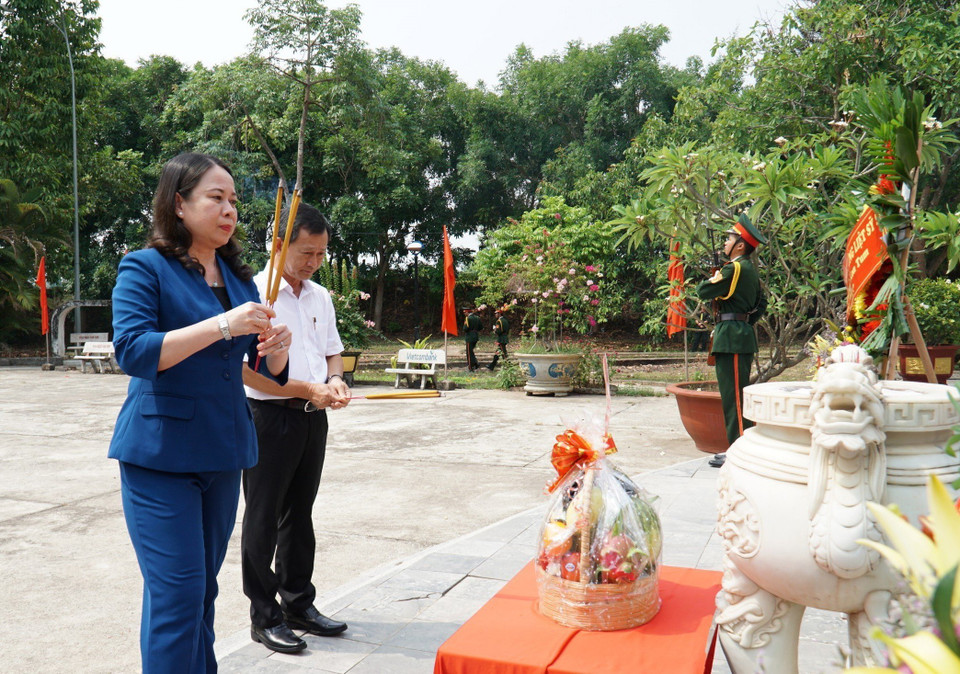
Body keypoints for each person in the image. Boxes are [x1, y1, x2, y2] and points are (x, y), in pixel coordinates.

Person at [109, 152, 292, 672]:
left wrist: (276, 348)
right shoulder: (145, 267)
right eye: (216, 197)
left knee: (201, 592)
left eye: (233, 199)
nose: (229, 209)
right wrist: (224, 326)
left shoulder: (239, 278)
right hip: (160, 454)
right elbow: (136, 352)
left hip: (222, 449)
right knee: (177, 595)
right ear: (179, 203)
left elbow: (261, 368)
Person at [241, 202, 351, 654]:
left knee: (300, 513)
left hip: (312, 417)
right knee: (263, 516)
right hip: (267, 418)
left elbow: (333, 353)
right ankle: (263, 616)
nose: (313, 263)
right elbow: (245, 371)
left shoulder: (319, 296)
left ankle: (297, 604)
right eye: (306, 252)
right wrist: (308, 388)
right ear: (279, 243)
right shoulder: (253, 294)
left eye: (321, 254)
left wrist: (337, 380)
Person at [696, 214, 767, 468]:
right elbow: (762, 303)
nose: (725, 243)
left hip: (733, 338)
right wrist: (745, 319)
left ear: (740, 245)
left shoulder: (735, 268)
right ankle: (737, 447)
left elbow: (703, 291)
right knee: (732, 396)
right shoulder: (749, 270)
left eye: (729, 238)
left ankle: (738, 450)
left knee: (734, 397)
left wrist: (715, 279)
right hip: (737, 334)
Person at [487, 306, 510, 370]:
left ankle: (509, 365)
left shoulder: (499, 321)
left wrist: (495, 330)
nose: (495, 315)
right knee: (497, 353)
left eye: (496, 313)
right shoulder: (505, 320)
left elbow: (499, 331)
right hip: (504, 337)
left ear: (499, 314)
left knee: (503, 353)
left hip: (501, 339)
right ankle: (492, 366)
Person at [463, 306, 481, 371]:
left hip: (469, 337)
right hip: (475, 336)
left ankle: (470, 367)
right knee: (471, 351)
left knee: (469, 353)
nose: (464, 314)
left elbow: (465, 328)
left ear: (468, 312)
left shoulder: (468, 318)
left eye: (465, 312)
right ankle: (476, 363)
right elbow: (480, 327)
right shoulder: (477, 318)